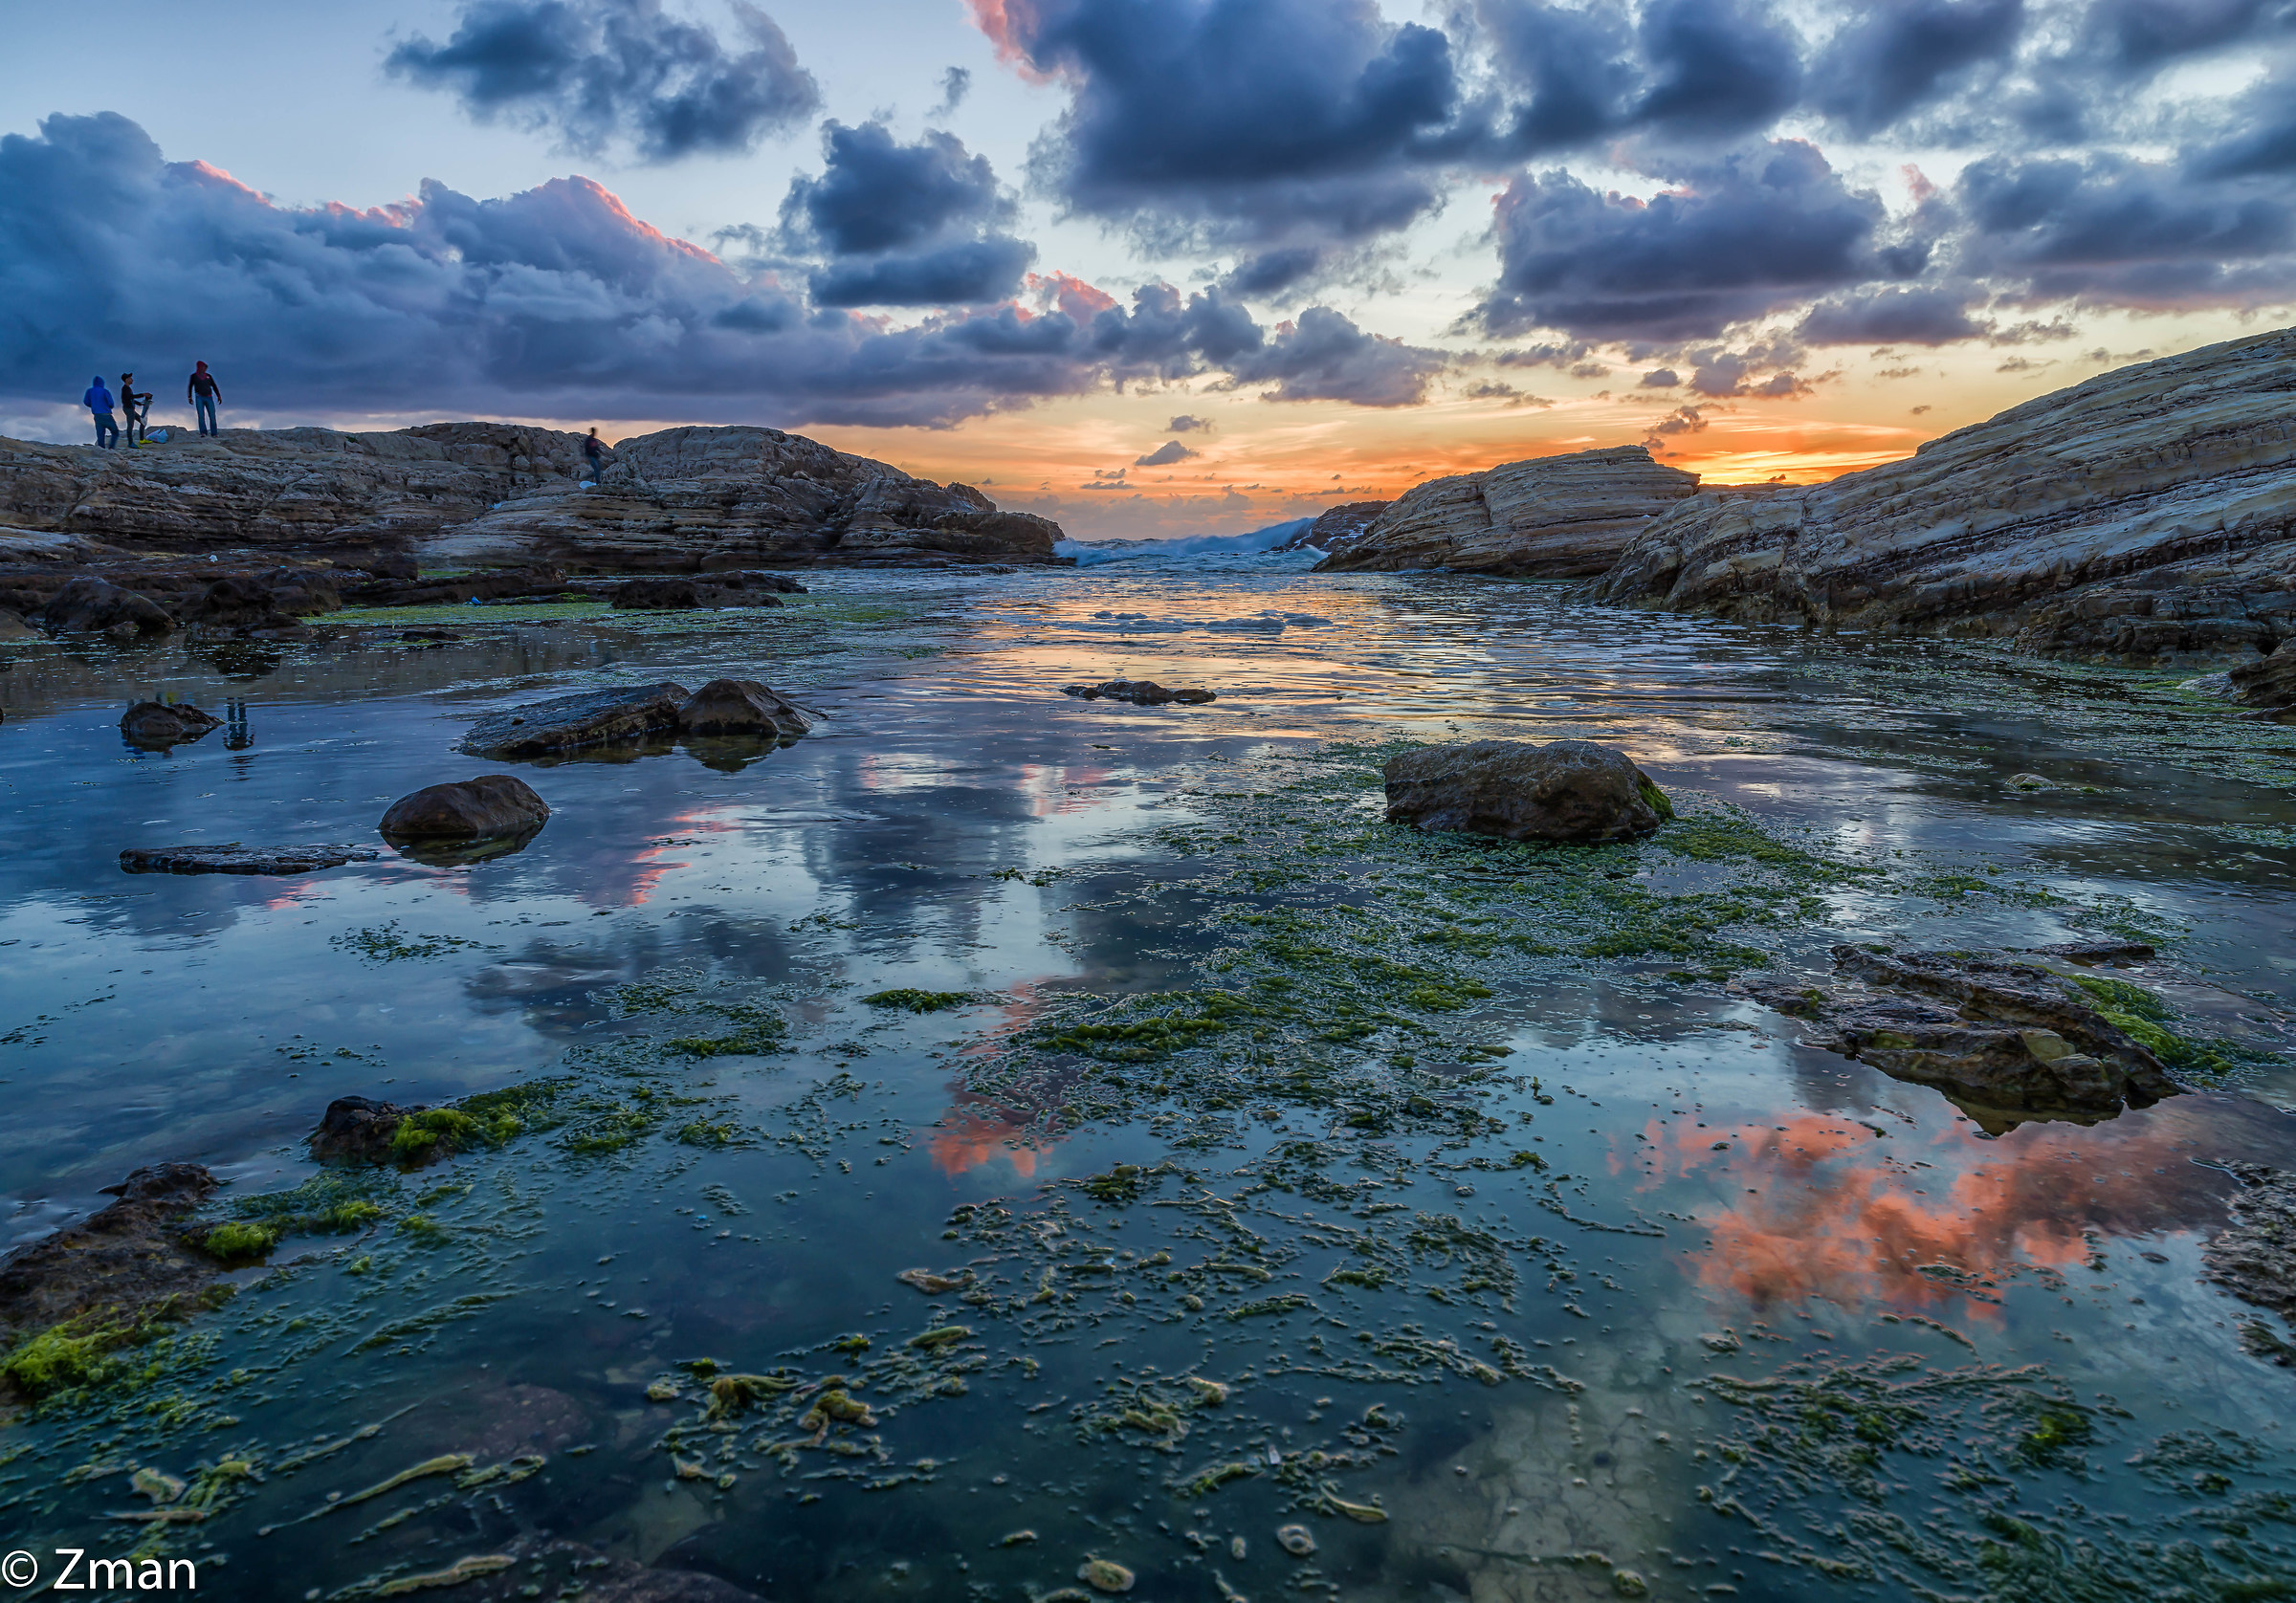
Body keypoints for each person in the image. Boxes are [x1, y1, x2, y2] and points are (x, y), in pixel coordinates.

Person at [83, 375, 119, 450]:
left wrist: (93, 406)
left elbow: (86, 402)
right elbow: (111, 403)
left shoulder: (89, 391)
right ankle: (111, 448)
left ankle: (101, 450)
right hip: (106, 414)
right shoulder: (105, 391)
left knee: (100, 434)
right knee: (115, 432)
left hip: (97, 415)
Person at [188, 361, 221, 436]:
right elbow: (190, 386)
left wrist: (218, 395)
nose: (204, 369)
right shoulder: (194, 376)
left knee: (212, 415)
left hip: (209, 397)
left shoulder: (209, 376)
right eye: (203, 367)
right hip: (199, 397)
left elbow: (214, 386)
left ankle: (214, 433)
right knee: (201, 415)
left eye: (205, 367)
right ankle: (203, 432)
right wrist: (189, 397)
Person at [119, 372, 150, 446]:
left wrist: (140, 404)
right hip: (128, 409)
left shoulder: (128, 388)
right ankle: (130, 443)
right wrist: (143, 394)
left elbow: (130, 398)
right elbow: (131, 397)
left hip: (131, 409)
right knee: (130, 426)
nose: (132, 379)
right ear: (126, 380)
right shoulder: (125, 388)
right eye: (130, 378)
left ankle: (142, 440)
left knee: (142, 422)